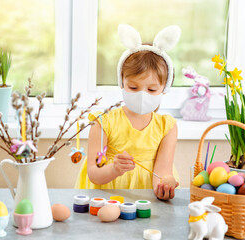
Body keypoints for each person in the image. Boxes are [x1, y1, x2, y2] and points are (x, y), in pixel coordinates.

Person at [75, 24, 181, 200]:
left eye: (152, 90)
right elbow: (93, 173)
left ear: (165, 88)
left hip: (145, 201)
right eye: (133, 87)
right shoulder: (103, 122)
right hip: (108, 199)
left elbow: (162, 171)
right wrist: (114, 169)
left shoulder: (166, 127)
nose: (142, 95)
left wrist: (165, 185)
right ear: (122, 83)